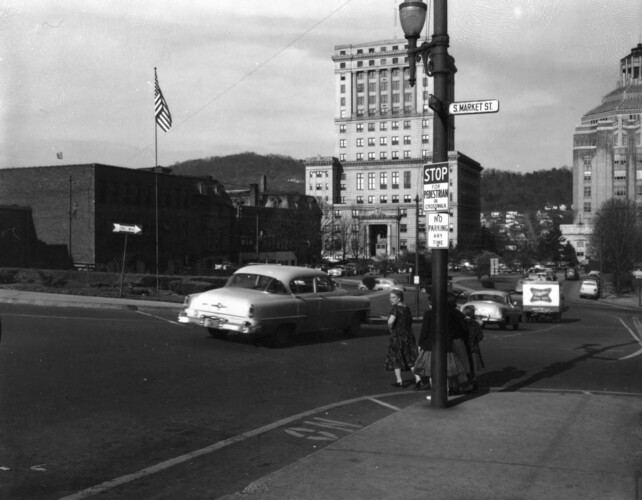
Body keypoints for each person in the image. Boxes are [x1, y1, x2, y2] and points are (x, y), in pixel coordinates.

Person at [384, 289, 422, 389]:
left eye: (393, 297)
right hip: (408, 336)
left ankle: (399, 380)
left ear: (399, 298)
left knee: (396, 357)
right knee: (410, 357)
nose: (390, 299)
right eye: (390, 297)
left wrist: (390, 327)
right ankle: (418, 379)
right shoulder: (407, 308)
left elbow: (390, 321)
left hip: (397, 336)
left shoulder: (395, 309)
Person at [462, 305, 484, 391]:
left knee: (466, 366)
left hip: (464, 347)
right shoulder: (475, 324)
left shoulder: (462, 323)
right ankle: (474, 382)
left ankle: (467, 383)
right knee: (473, 367)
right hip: (474, 348)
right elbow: (480, 336)